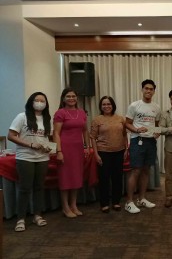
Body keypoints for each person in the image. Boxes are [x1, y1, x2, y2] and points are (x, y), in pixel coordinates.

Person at [8, 92, 52, 232]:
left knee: (39, 187)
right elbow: (11, 135)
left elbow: (47, 138)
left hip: (42, 158)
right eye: (37, 100)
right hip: (25, 157)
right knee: (25, 188)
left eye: (42, 101)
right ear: (31, 102)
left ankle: (37, 215)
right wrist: (30, 145)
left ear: (46, 104)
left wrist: (49, 147)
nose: (40, 103)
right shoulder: (22, 116)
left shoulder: (47, 118)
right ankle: (21, 218)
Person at [125, 79, 161, 213]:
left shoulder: (156, 107)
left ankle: (142, 199)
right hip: (137, 141)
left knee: (146, 171)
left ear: (154, 91)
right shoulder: (134, 105)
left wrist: (157, 133)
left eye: (151, 89)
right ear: (142, 89)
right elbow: (127, 123)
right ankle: (129, 202)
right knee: (136, 171)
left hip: (151, 142)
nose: (148, 91)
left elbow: (157, 125)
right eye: (146, 88)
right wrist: (136, 130)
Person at [53, 88, 90, 218]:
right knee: (65, 178)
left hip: (78, 149)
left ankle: (73, 205)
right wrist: (59, 151)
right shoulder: (60, 113)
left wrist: (87, 147)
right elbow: (56, 133)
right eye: (68, 96)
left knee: (76, 177)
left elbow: (85, 131)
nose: (71, 98)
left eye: (73, 96)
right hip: (65, 149)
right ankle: (65, 207)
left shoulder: (81, 113)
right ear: (63, 98)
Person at [90, 96, 128, 213]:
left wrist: (126, 149)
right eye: (104, 104)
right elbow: (92, 138)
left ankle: (116, 202)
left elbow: (124, 134)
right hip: (103, 152)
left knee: (117, 178)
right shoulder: (97, 120)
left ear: (113, 105)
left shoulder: (121, 119)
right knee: (104, 179)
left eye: (109, 104)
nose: (106, 106)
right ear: (101, 107)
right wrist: (96, 154)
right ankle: (104, 203)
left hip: (119, 152)